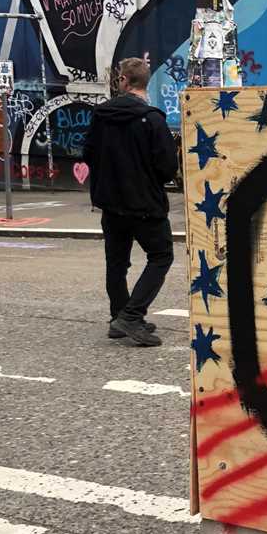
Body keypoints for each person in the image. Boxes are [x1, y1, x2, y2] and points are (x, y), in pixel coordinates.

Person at [83, 57, 178, 347]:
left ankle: (119, 317)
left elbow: (88, 153)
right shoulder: (153, 119)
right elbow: (167, 167)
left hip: (111, 203)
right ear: (144, 82)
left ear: (124, 80)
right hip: (144, 203)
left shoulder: (101, 115)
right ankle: (132, 316)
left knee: (116, 262)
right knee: (161, 256)